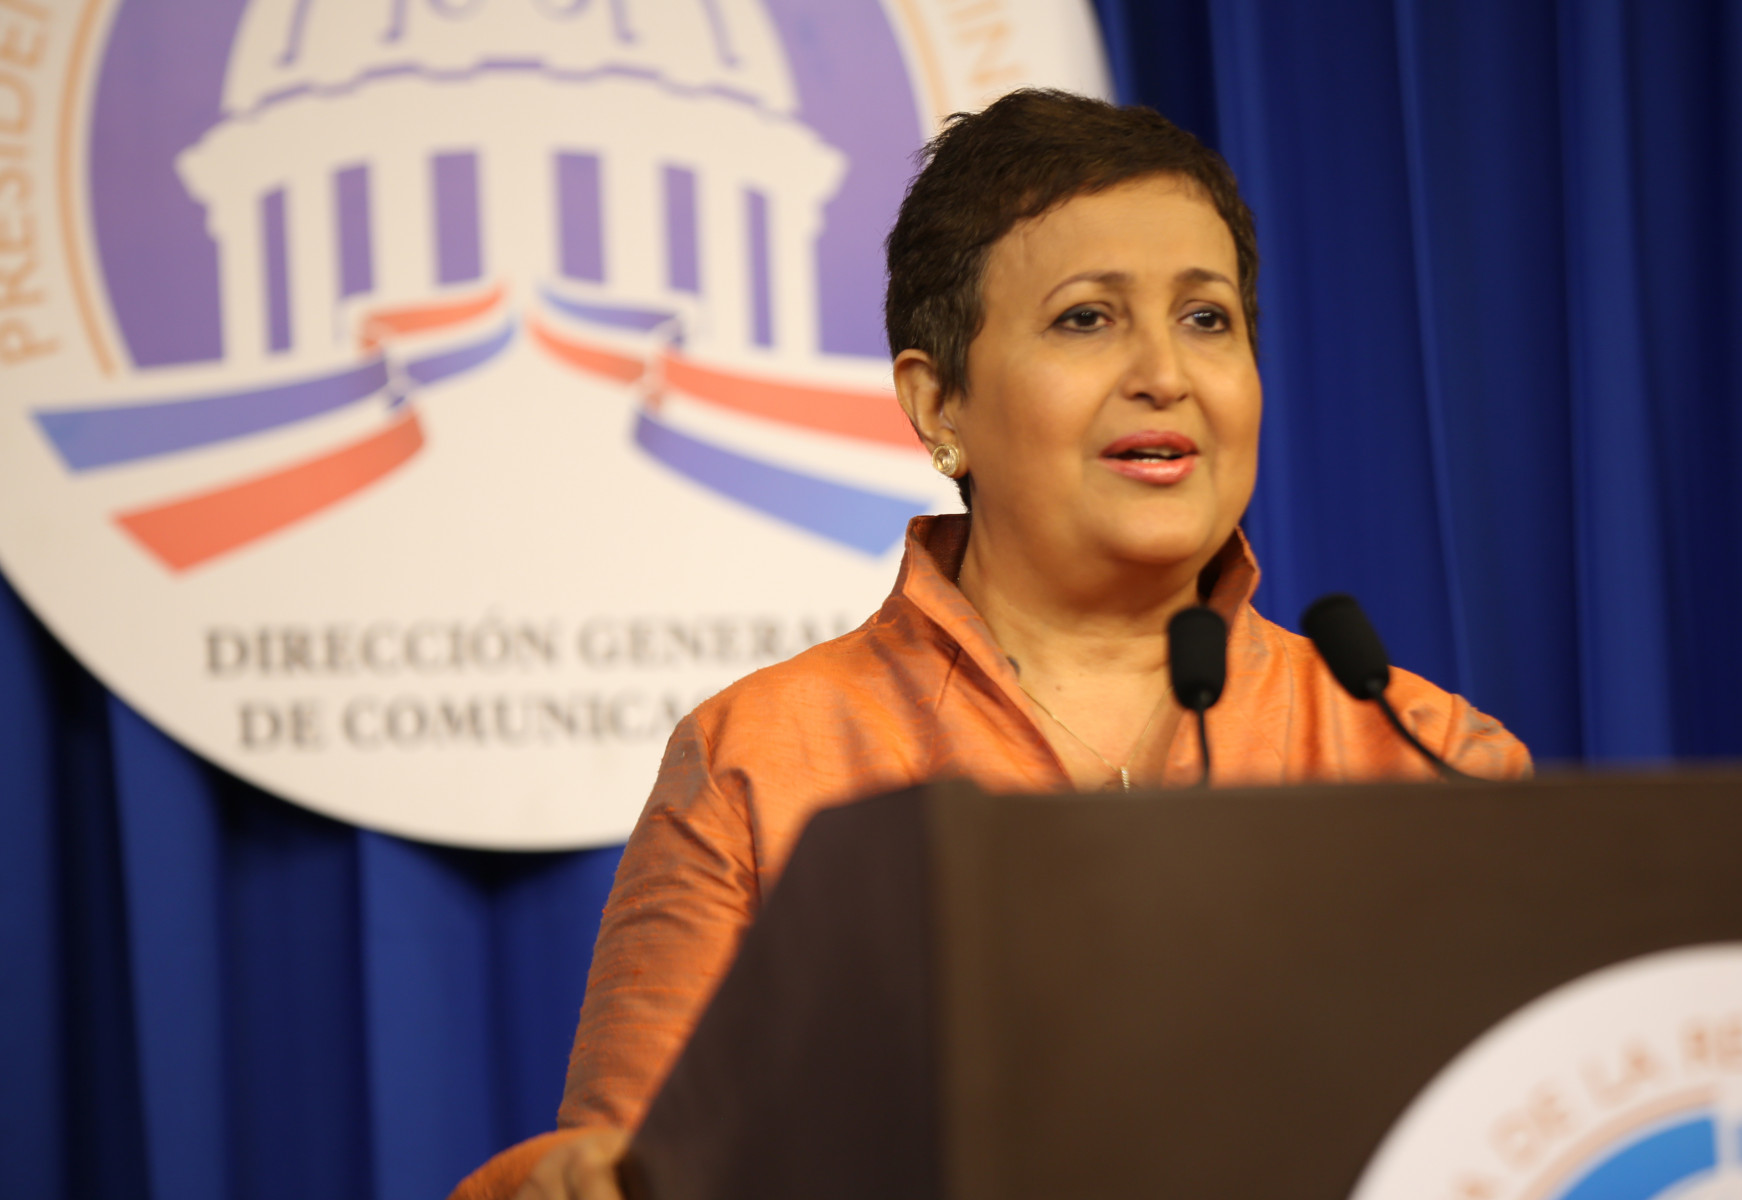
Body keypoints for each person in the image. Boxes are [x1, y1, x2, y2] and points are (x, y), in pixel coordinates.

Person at [454, 88, 1530, 1200]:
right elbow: (632, 1166)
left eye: (1207, 318)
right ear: (939, 407)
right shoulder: (760, 762)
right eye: (1087, 318)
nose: (1166, 373)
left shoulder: (1427, 755)